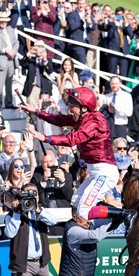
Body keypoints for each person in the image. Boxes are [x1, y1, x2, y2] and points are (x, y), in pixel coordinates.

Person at [21, 87, 119, 221]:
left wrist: (46, 138)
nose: (70, 109)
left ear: (84, 108)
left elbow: (72, 139)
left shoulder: (95, 121)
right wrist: (36, 112)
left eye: (73, 106)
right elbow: (58, 119)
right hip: (95, 172)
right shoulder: (83, 118)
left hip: (105, 172)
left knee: (83, 210)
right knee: (76, 202)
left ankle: (122, 214)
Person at [4, 183, 57, 276]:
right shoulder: (13, 215)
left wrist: (39, 211)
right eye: (28, 194)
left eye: (35, 194)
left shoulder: (40, 212)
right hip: (24, 264)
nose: (32, 197)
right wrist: (17, 213)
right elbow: (9, 233)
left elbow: (53, 221)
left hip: (42, 263)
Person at [58, 210, 109, 276]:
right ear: (74, 217)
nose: (89, 221)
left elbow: (106, 221)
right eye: (85, 217)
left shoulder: (86, 223)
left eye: (89, 217)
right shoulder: (73, 230)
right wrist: (114, 224)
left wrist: (119, 215)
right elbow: (95, 236)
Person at [0, 10, 19, 109]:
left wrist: (14, 52)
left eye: (5, 21)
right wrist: (6, 50)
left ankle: (9, 102)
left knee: (9, 83)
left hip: (11, 59)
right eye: (2, 21)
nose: (4, 23)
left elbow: (16, 42)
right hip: (1, 59)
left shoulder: (11, 29)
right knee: (0, 83)